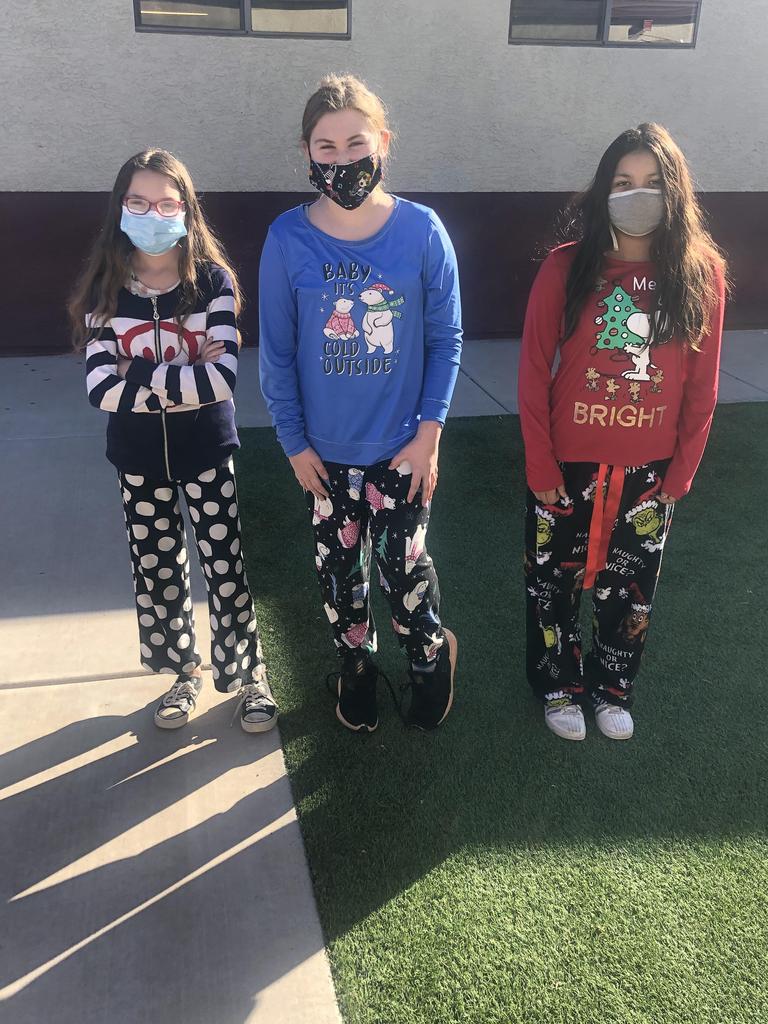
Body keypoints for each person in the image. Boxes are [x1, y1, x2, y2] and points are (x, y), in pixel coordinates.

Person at [259, 74, 462, 733]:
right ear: (306, 152)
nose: (342, 159)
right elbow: (278, 353)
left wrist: (429, 435)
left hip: (402, 450)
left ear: (383, 143)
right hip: (324, 458)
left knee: (404, 574)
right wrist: (294, 443)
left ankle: (428, 655)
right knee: (339, 577)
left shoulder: (423, 232)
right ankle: (356, 665)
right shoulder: (287, 239)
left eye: (356, 143)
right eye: (326, 146)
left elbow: (445, 338)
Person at [518, 123, 727, 741]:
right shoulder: (566, 267)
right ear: (602, 192)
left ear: (676, 191)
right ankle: (557, 685)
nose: (638, 195)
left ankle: (613, 688)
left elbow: (703, 386)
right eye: (622, 182)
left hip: (648, 474)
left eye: (653, 183)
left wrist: (681, 474)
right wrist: (540, 464)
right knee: (551, 585)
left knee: (630, 591)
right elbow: (533, 370)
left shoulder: (701, 272)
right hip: (566, 466)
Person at [69, 148, 278, 733]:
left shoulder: (212, 283)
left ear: (186, 210)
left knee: (224, 564)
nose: (152, 214)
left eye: (166, 203)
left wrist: (135, 371)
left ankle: (248, 674)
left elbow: (222, 380)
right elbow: (99, 389)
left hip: (207, 450)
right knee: (157, 567)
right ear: (120, 208)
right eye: (138, 202)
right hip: (137, 457)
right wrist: (181, 380)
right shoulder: (106, 290)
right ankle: (183, 672)